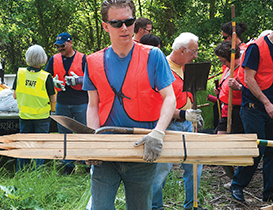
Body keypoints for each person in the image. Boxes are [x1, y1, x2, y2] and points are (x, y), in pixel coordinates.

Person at [83, 0, 176, 209]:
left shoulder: (153, 56)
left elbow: (169, 98)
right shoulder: (93, 61)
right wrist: (92, 140)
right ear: (106, 26)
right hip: (106, 150)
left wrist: (158, 133)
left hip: (142, 148)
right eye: (117, 23)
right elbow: (92, 105)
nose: (124, 28)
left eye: (129, 21)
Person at [150, 32, 205, 210]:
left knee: (195, 165)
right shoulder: (162, 67)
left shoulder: (185, 66)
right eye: (193, 52)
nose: (195, 56)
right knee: (160, 170)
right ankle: (155, 207)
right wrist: (183, 115)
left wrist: (193, 113)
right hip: (167, 125)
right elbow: (158, 106)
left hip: (187, 124)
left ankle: (192, 206)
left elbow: (187, 94)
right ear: (181, 50)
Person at [230, 31, 273, 202]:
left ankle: (269, 194)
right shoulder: (256, 47)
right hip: (254, 107)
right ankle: (237, 185)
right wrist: (266, 103)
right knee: (257, 148)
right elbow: (249, 79)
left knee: (272, 151)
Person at [45, 32, 88, 174]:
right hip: (62, 102)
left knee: (84, 133)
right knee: (64, 134)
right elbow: (45, 77)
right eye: (57, 46)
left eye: (62, 45)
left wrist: (80, 80)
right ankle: (67, 166)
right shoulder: (54, 59)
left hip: (81, 102)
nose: (59, 49)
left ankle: (87, 164)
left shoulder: (83, 59)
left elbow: (93, 78)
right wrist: (52, 82)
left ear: (70, 43)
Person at [13, 44, 56, 171]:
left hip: (24, 115)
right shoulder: (45, 76)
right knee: (40, 145)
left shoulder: (20, 73)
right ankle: (36, 172)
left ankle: (21, 171)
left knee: (24, 144)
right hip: (42, 117)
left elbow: (15, 95)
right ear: (43, 58)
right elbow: (53, 99)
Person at [214, 41, 244, 135]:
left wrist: (239, 87)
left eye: (224, 61)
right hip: (225, 111)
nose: (223, 64)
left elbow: (251, 90)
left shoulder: (243, 70)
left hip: (237, 112)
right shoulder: (228, 68)